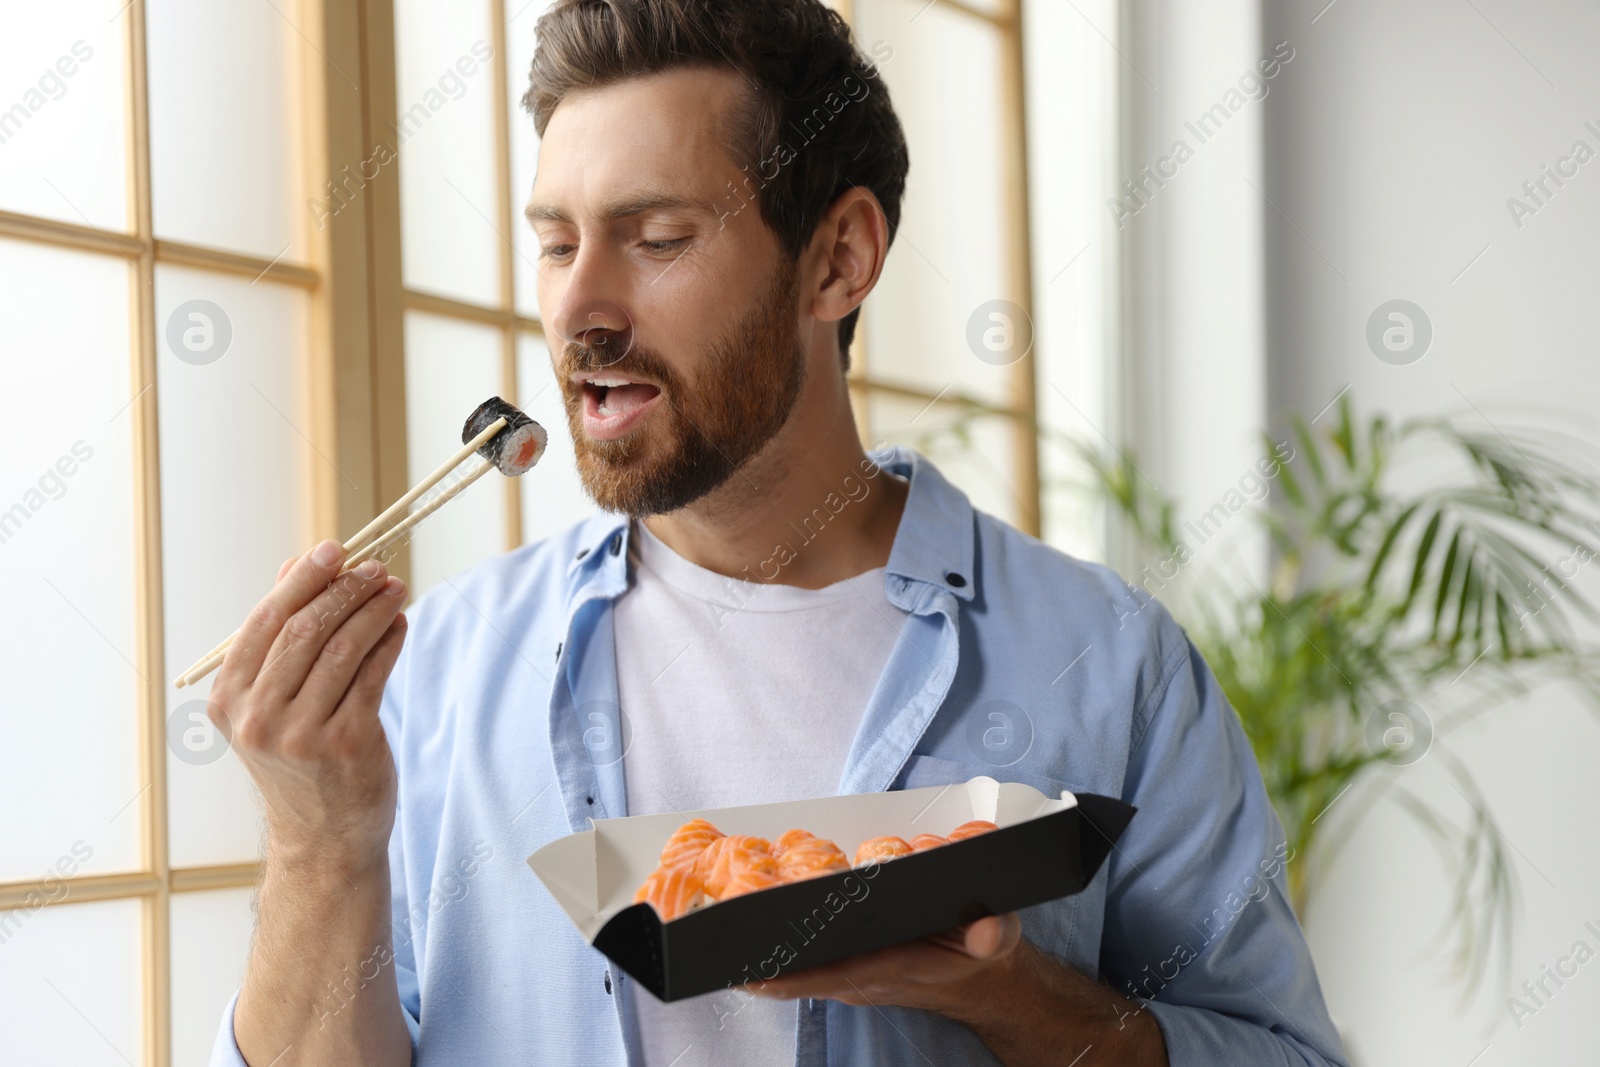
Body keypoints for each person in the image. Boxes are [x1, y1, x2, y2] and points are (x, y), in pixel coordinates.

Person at [209, 1, 1349, 1064]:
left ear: (838, 259)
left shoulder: (1110, 663)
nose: (579, 307)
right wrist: (320, 844)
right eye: (557, 244)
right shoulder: (441, 671)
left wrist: (1000, 990)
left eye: (655, 237)